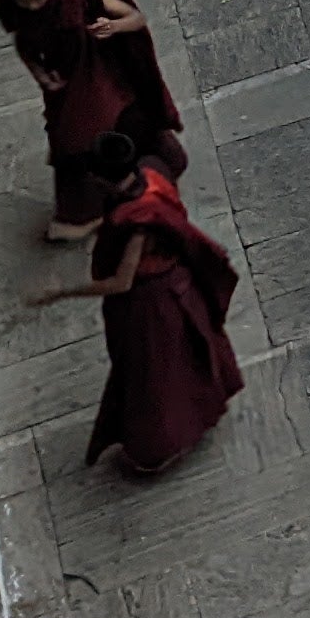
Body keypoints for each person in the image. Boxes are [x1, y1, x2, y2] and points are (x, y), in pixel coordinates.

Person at [37, 136, 240, 479]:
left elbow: (121, 282)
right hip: (178, 286)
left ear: (102, 179)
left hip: (152, 305)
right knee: (184, 360)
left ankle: (157, 446)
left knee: (153, 377)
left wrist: (62, 292)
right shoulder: (152, 176)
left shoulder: (138, 225)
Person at [0, 0, 179, 241]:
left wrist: (113, 27)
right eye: (25, 2)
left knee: (75, 143)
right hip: (65, 82)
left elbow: (136, 19)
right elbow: (23, 43)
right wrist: (41, 75)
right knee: (73, 139)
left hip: (103, 72)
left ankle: (87, 213)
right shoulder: (13, 6)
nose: (33, 7)